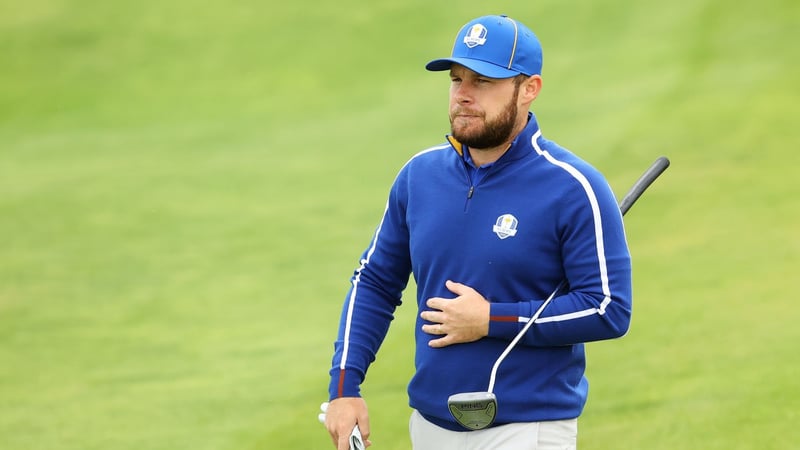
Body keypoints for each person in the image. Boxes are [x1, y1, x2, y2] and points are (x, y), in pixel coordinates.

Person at [323, 14, 632, 450]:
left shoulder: (573, 187)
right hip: (429, 427)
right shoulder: (419, 176)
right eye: (456, 79)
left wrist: (491, 319)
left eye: (483, 81)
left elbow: (607, 308)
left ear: (529, 89)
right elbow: (373, 282)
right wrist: (344, 388)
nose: (463, 95)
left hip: (527, 429)